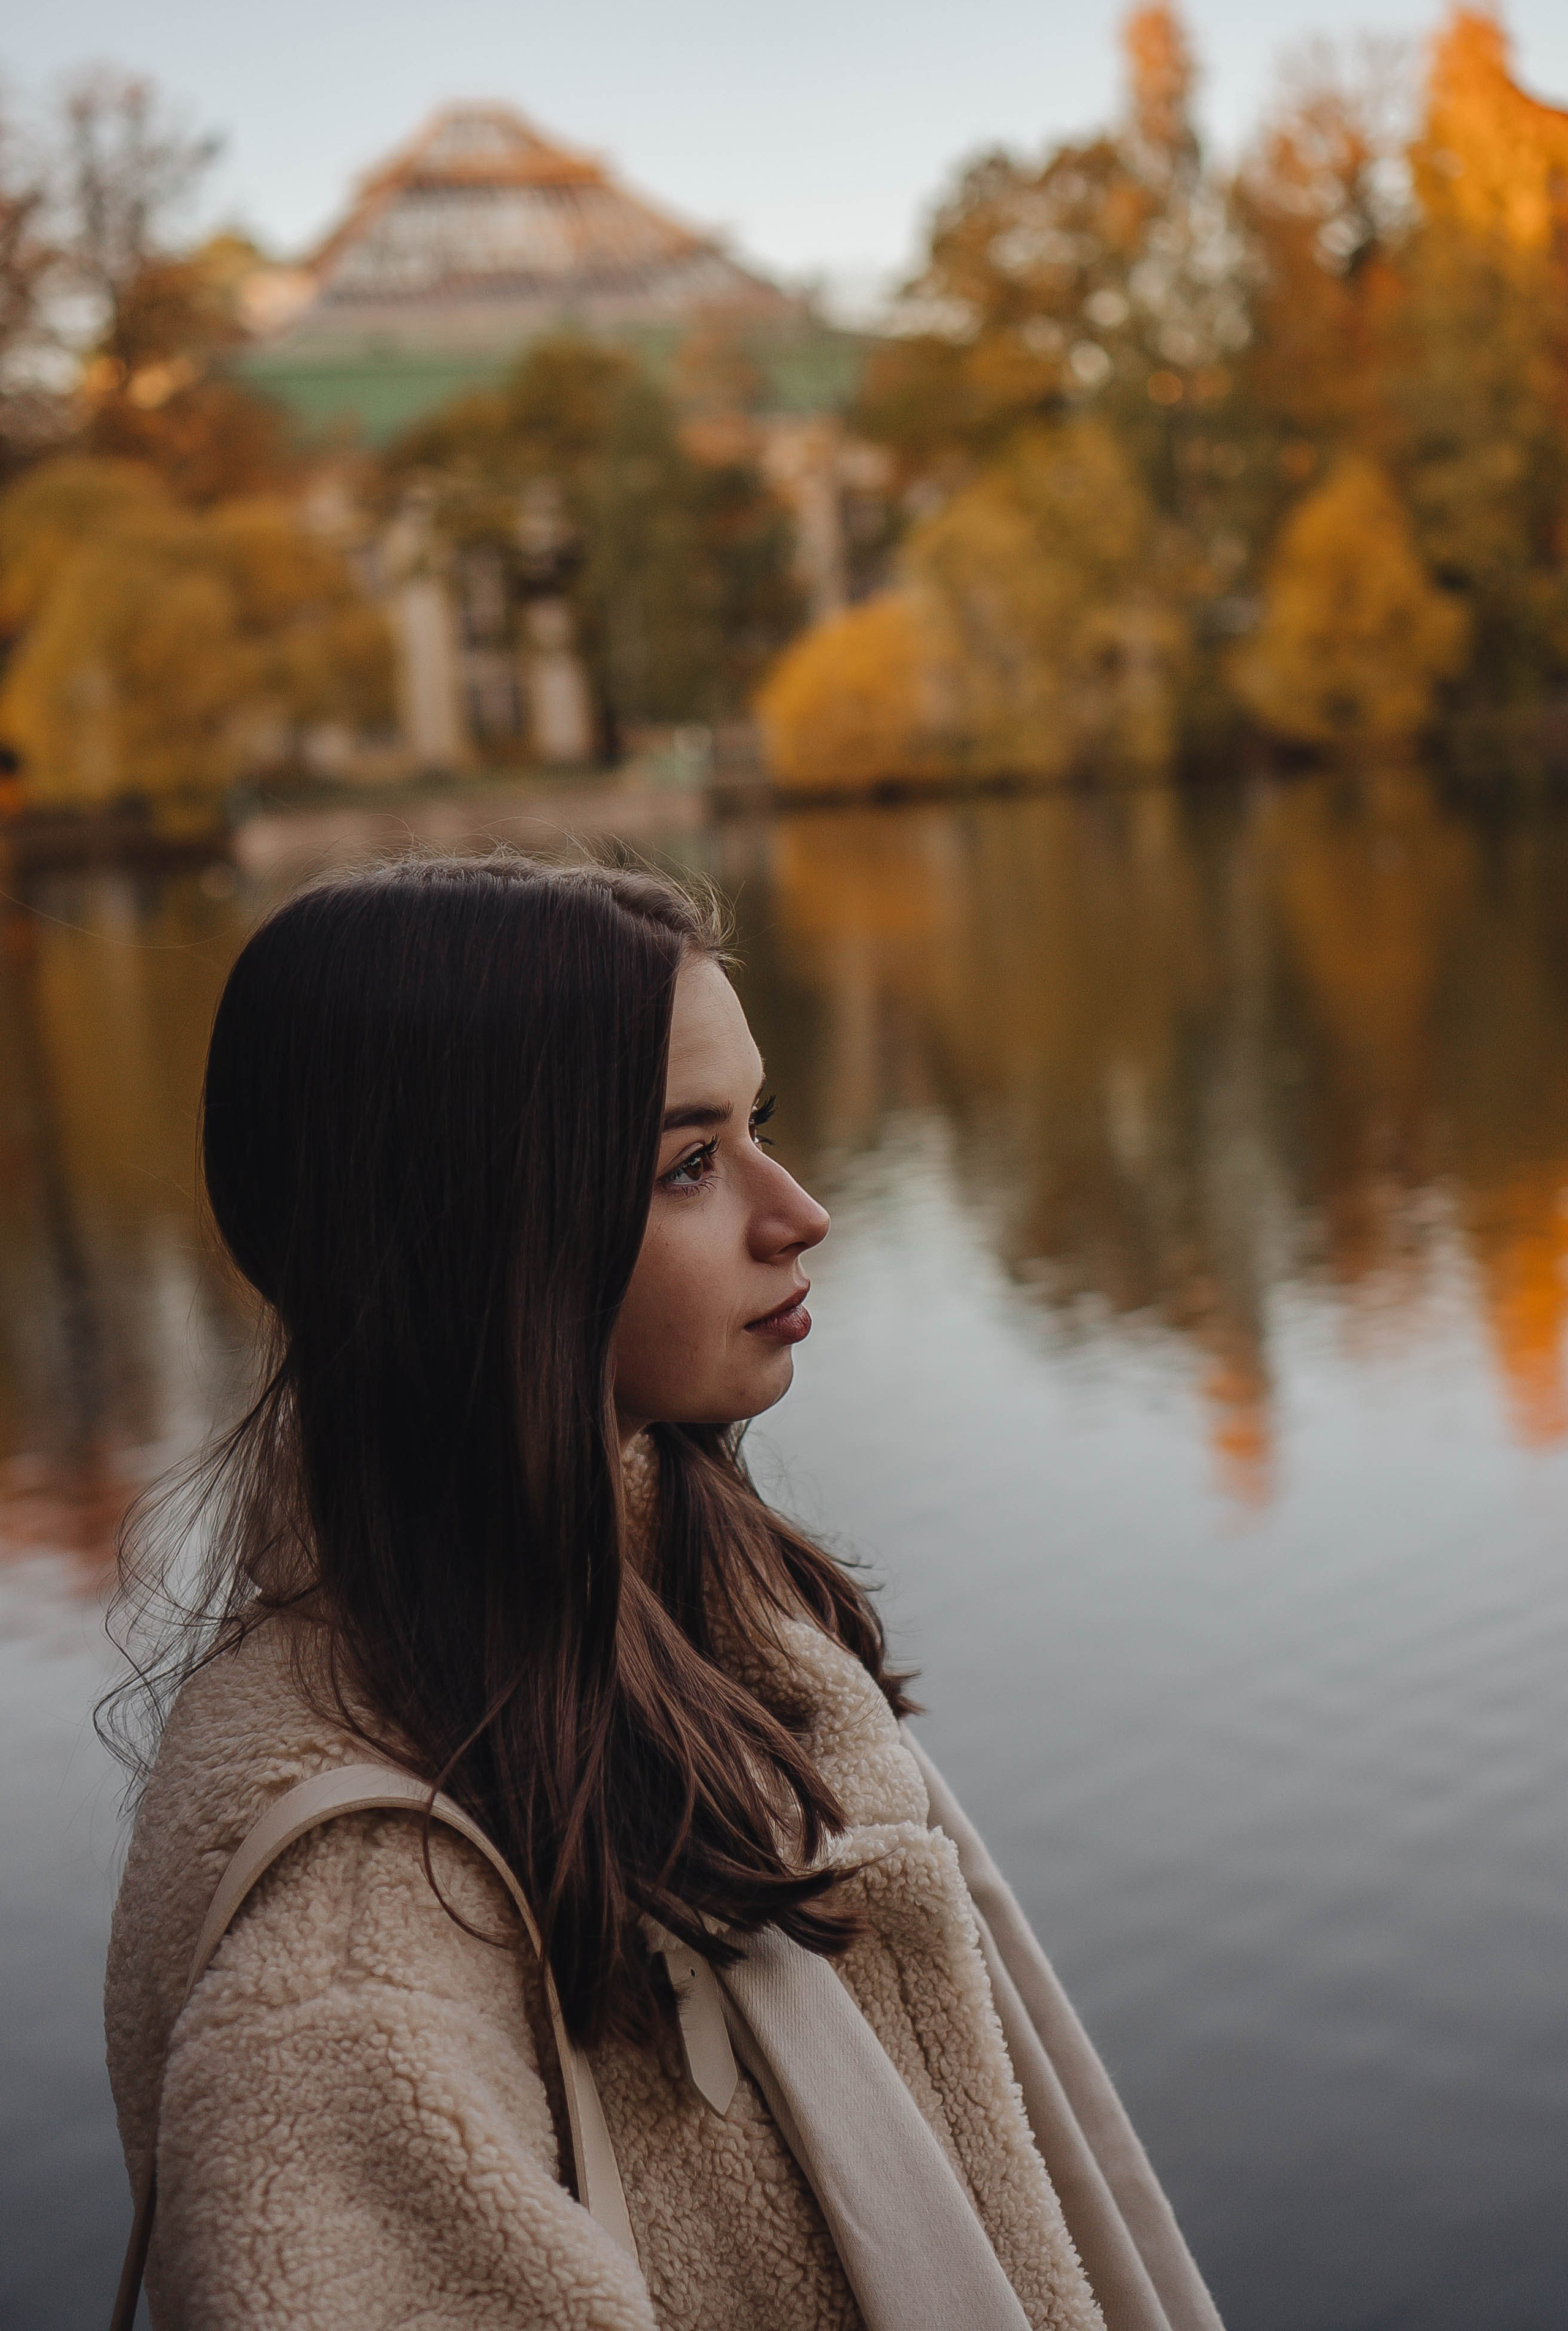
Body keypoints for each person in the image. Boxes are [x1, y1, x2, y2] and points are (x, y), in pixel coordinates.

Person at [104, 853, 1221, 2331]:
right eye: (686, 1164)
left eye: (759, 1126)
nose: (799, 1210)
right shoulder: (362, 1940)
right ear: (474, 1240)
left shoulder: (714, 1616)